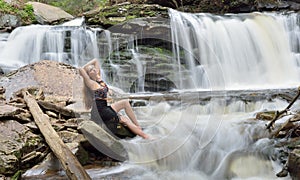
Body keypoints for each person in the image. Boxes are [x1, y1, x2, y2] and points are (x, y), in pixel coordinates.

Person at [79, 58, 150, 139]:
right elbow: (80, 69)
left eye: (94, 68)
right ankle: (145, 136)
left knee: (125, 102)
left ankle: (137, 126)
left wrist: (91, 67)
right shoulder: (91, 83)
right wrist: (86, 69)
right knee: (124, 119)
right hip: (99, 112)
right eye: (91, 70)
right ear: (88, 75)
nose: (94, 70)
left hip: (104, 107)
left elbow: (96, 60)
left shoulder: (99, 79)